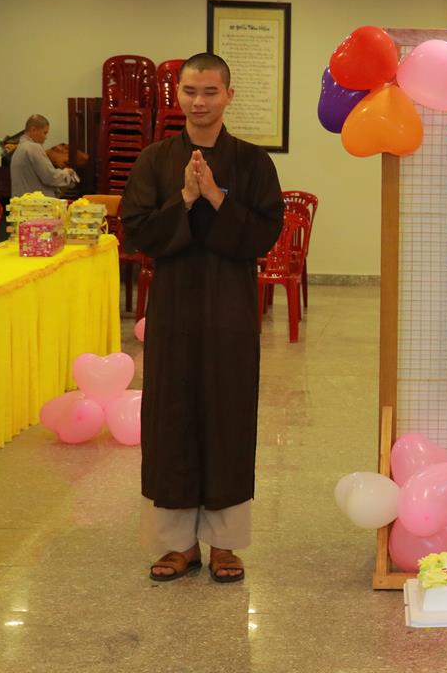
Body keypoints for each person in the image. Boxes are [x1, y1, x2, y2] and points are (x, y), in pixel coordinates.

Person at [120, 53, 284, 584]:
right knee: (170, 418)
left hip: (230, 308)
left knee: (227, 415)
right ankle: (177, 545)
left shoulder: (254, 162)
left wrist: (214, 196)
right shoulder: (153, 160)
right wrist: (186, 198)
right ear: (179, 95)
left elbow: (265, 235)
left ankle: (225, 545)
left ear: (228, 96)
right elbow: (137, 232)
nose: (199, 101)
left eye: (210, 91)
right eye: (190, 91)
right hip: (173, 308)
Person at [8, 115, 79, 198]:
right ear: (33, 129)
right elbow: (50, 177)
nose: (45, 137)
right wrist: (66, 173)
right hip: (36, 203)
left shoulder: (19, 149)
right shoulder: (33, 147)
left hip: (21, 202)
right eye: (44, 133)